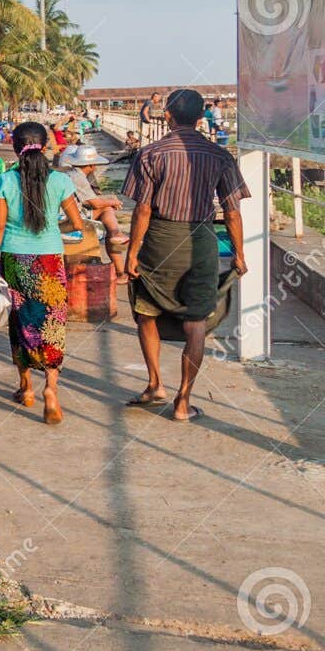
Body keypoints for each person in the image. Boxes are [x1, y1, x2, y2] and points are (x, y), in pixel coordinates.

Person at [123, 88, 249, 422]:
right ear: (200, 117)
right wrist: (239, 254)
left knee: (146, 312)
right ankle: (183, 401)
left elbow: (143, 210)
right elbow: (232, 213)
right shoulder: (219, 156)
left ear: (167, 115)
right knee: (196, 322)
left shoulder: (151, 154)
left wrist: (132, 253)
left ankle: (154, 384)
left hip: (159, 243)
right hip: (201, 243)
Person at [0, 121, 87, 426]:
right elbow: (77, 224)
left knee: (21, 319)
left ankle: (26, 388)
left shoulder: (3, 181)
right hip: (50, 259)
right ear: (45, 146)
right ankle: (50, 390)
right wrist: (54, 227)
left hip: (15, 259)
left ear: (15, 148)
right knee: (52, 321)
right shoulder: (60, 181)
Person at [58, 144, 127, 274]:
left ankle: (115, 234)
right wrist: (113, 202)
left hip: (66, 212)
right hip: (70, 217)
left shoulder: (70, 173)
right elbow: (94, 203)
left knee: (108, 204)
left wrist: (110, 200)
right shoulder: (77, 176)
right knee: (106, 208)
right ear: (91, 165)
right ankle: (115, 232)